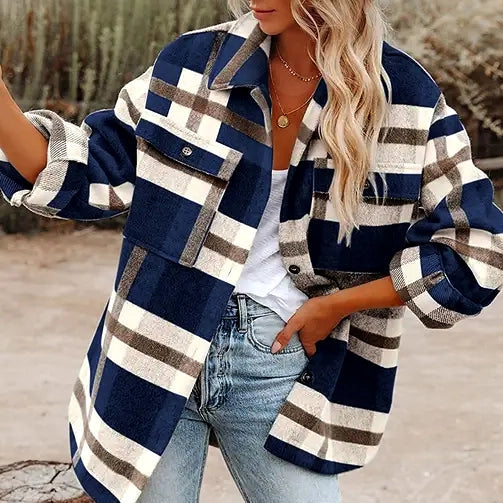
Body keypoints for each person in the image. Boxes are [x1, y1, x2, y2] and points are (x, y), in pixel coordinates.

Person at [1, 1, 502, 502]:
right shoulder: (195, 63)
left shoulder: (405, 96)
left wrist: (337, 305)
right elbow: (85, 172)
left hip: (278, 361)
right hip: (152, 349)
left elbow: (477, 248)